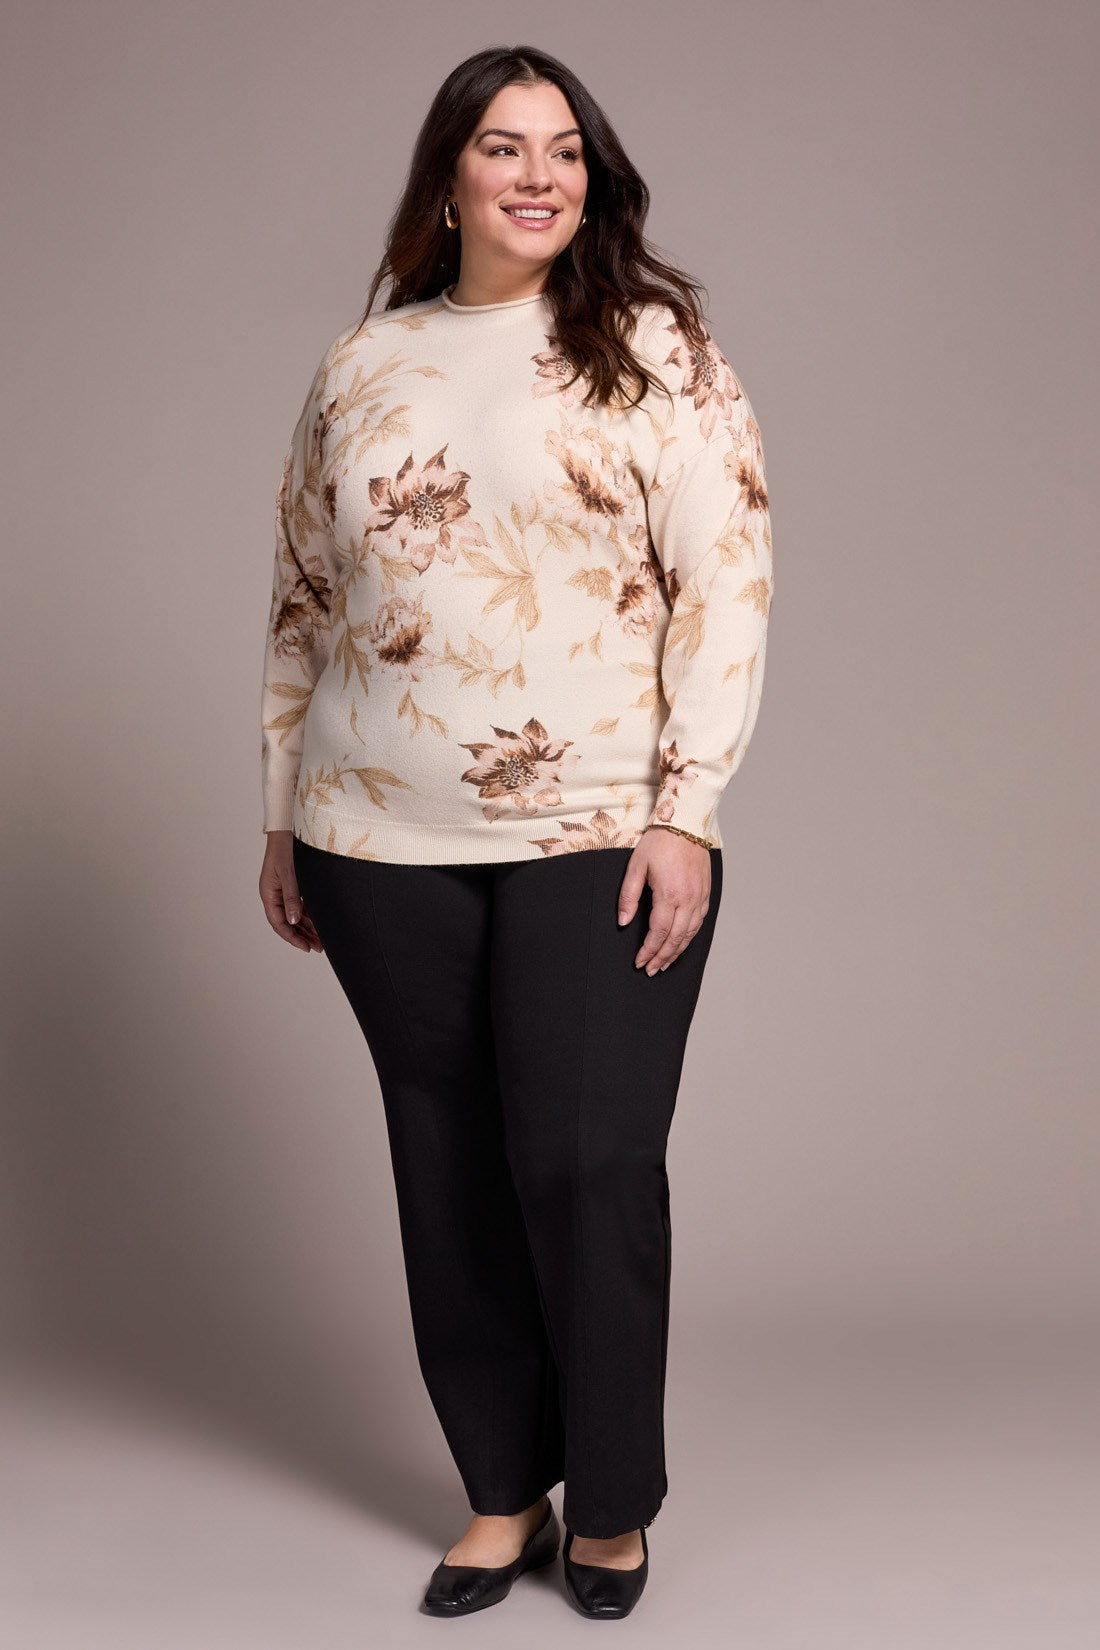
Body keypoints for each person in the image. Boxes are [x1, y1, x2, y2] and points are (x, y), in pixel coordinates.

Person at [258, 43, 774, 1621]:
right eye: (503, 146)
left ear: (593, 179)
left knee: (586, 1158)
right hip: (370, 833)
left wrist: (686, 810)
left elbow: (728, 585)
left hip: (599, 826)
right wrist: (282, 813)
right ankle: (501, 1491)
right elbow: (304, 601)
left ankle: (609, 1501)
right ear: (449, 178)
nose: (538, 175)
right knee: (449, 1163)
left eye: (564, 150)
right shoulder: (364, 364)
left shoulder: (658, 352)